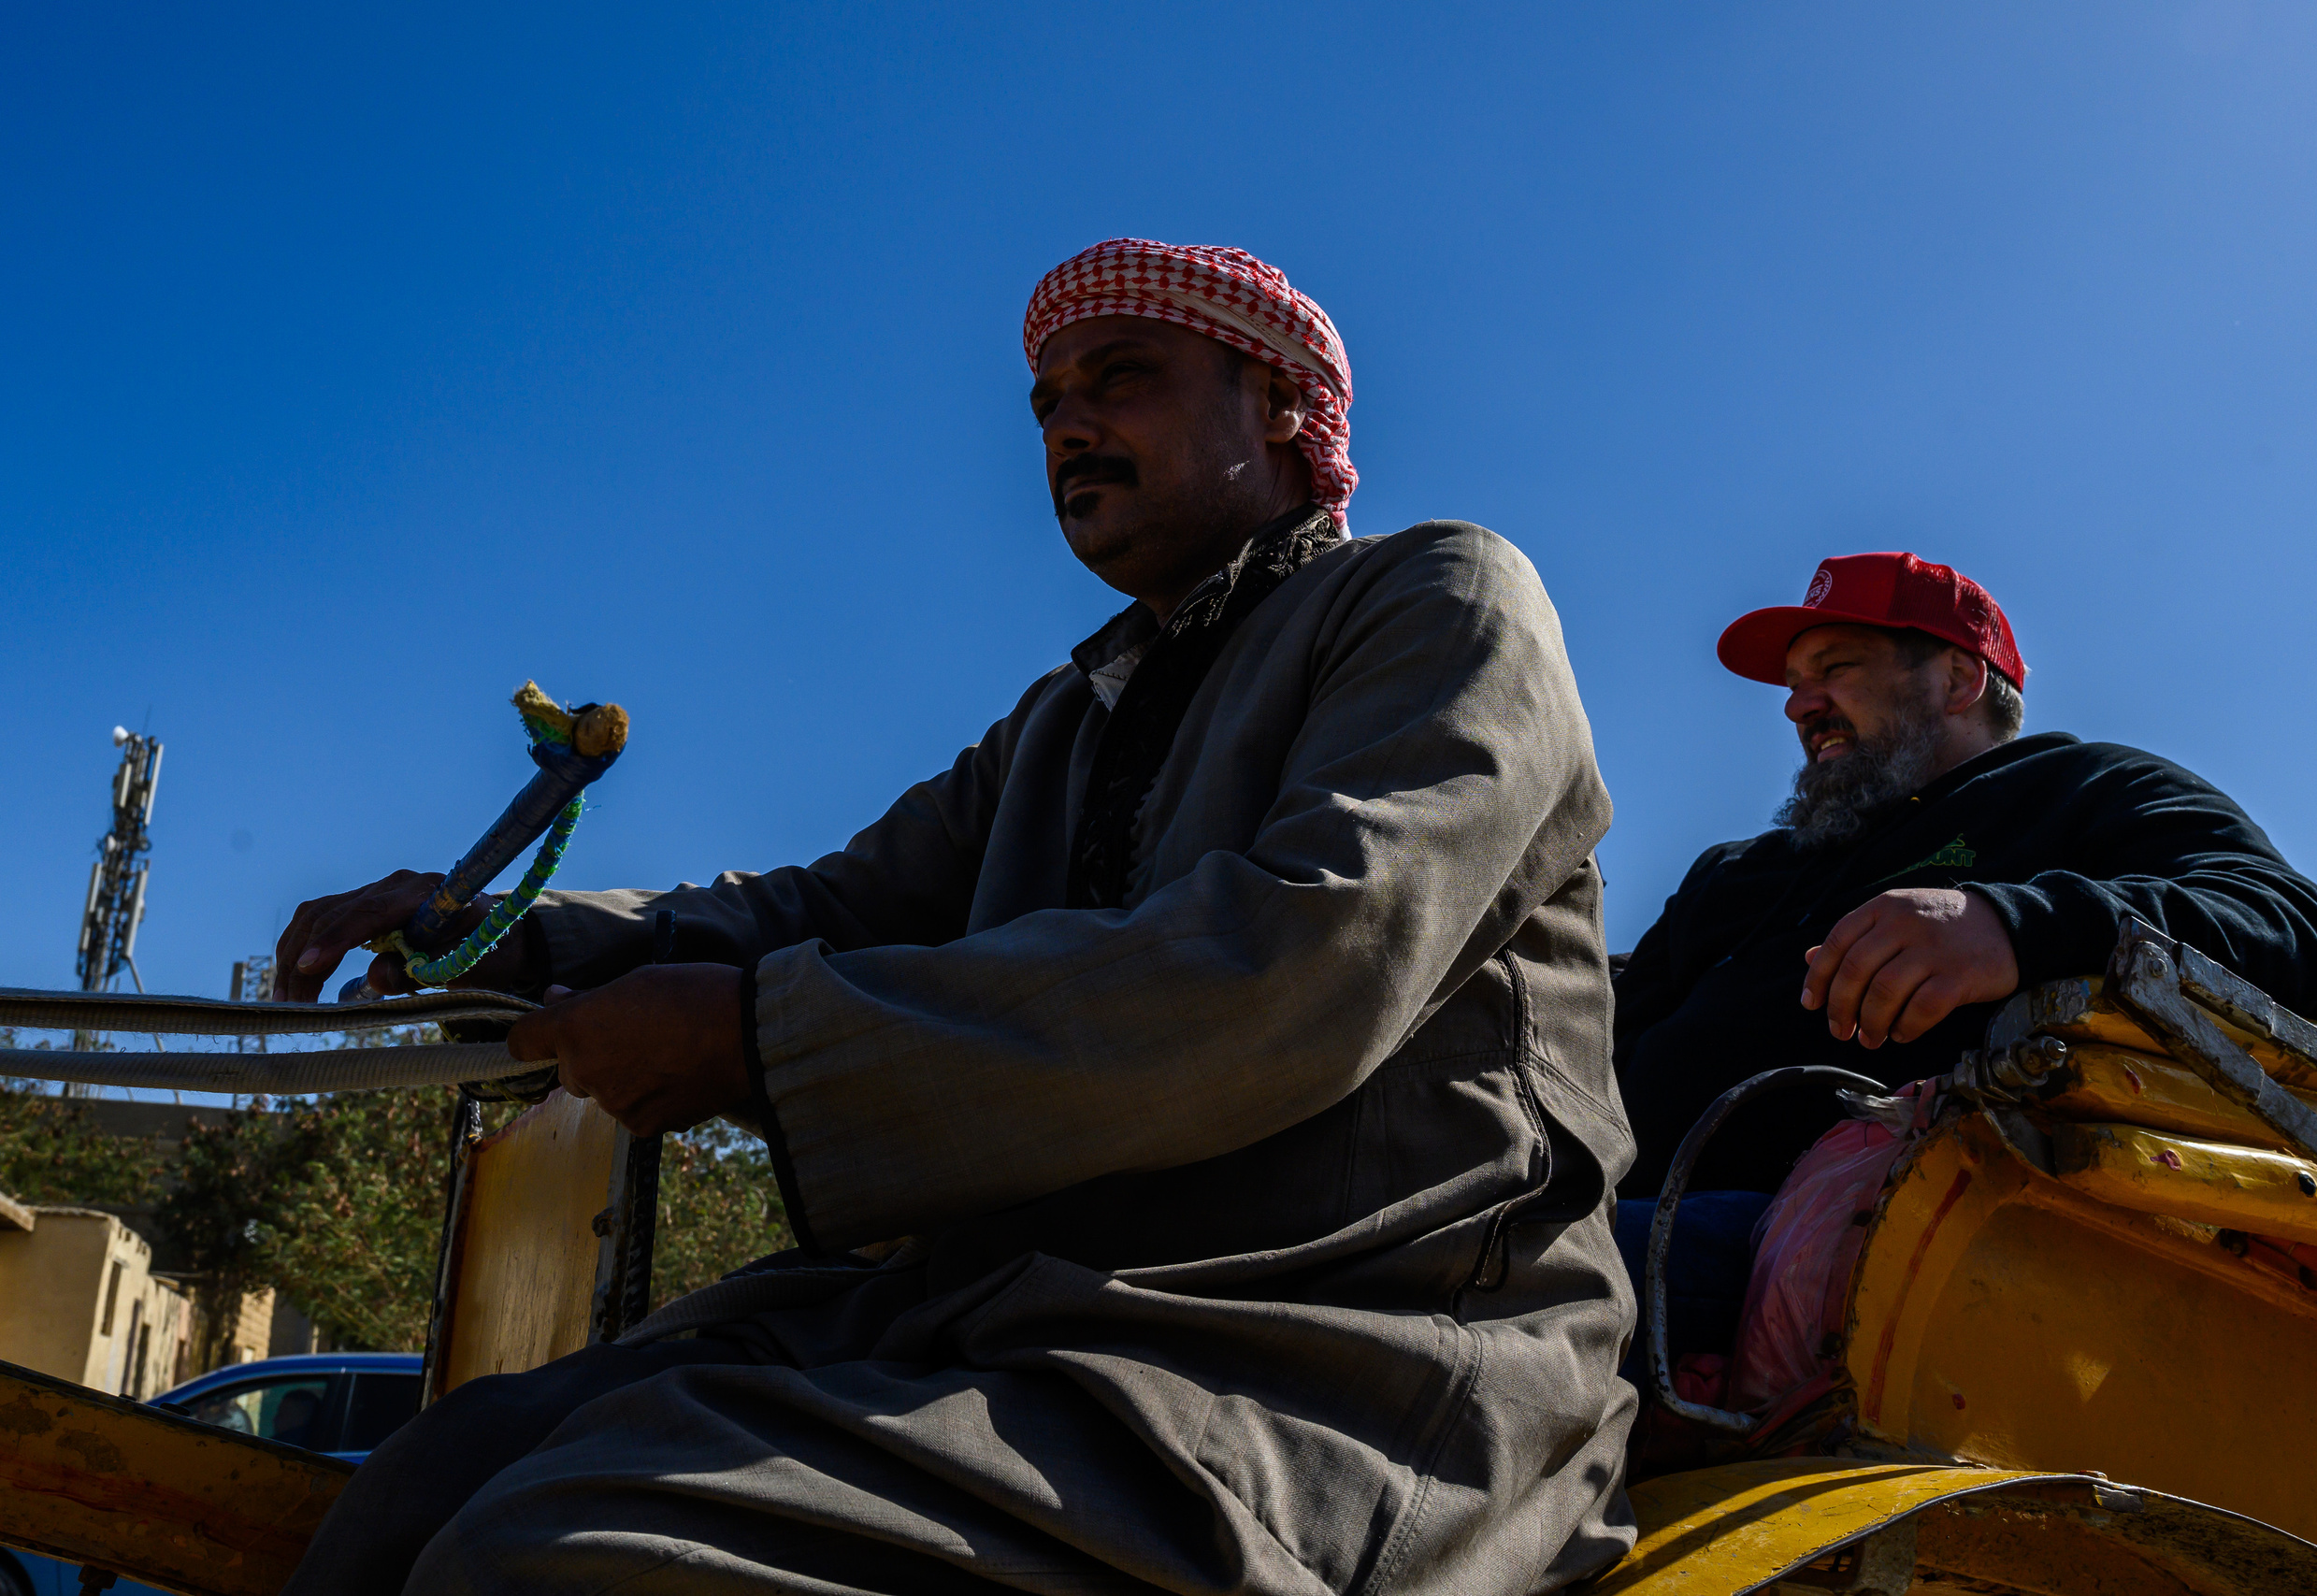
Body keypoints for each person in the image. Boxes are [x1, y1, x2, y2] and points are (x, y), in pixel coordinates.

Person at [272, 239, 1637, 1596]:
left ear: (1282, 403)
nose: (1068, 427)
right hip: (1019, 1321)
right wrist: (506, 937)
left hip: (1340, 1355)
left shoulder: (1441, 597)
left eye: (1121, 378)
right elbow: (822, 909)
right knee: (429, 1478)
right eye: (1046, 404)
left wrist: (757, 1043)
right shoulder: (1062, 722)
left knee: (565, 1558)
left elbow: (1304, 963)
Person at [1613, 551, 2317, 1213]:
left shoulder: (2079, 788)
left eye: (1836, 669)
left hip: (1858, 1236)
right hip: (1598, 1207)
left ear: (1960, 679)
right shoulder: (1731, 873)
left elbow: (2297, 933)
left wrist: (2011, 925)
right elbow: (1601, 1037)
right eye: (1794, 684)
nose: (1798, 705)